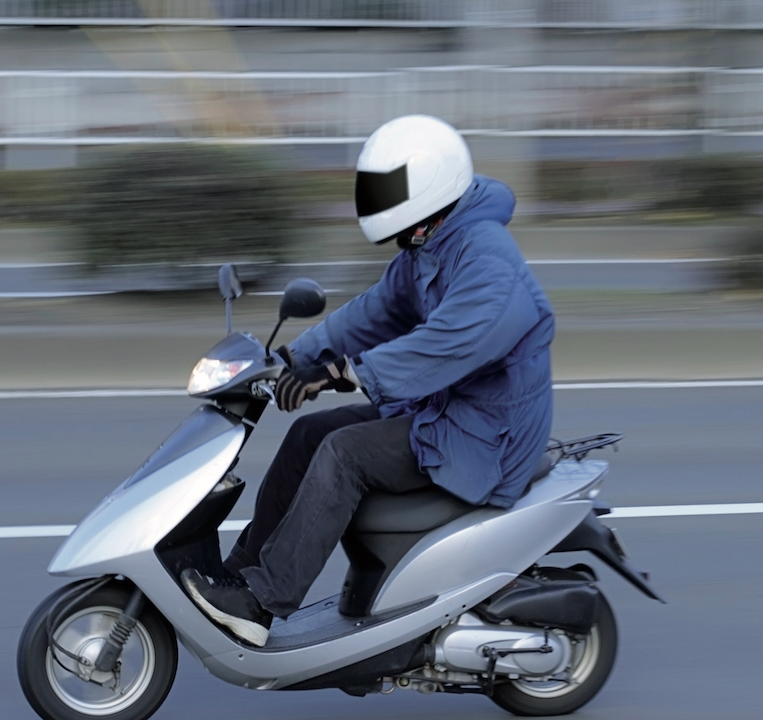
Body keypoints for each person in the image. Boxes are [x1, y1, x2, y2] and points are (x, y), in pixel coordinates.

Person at [182, 114, 555, 647]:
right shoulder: (433, 244)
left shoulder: (486, 255)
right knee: (308, 435)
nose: (375, 198)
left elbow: (452, 341)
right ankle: (239, 577)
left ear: (426, 184)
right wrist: (289, 357)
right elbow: (373, 313)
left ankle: (263, 602)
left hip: (487, 435)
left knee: (344, 453)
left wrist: (345, 372)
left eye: (386, 188)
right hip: (445, 413)